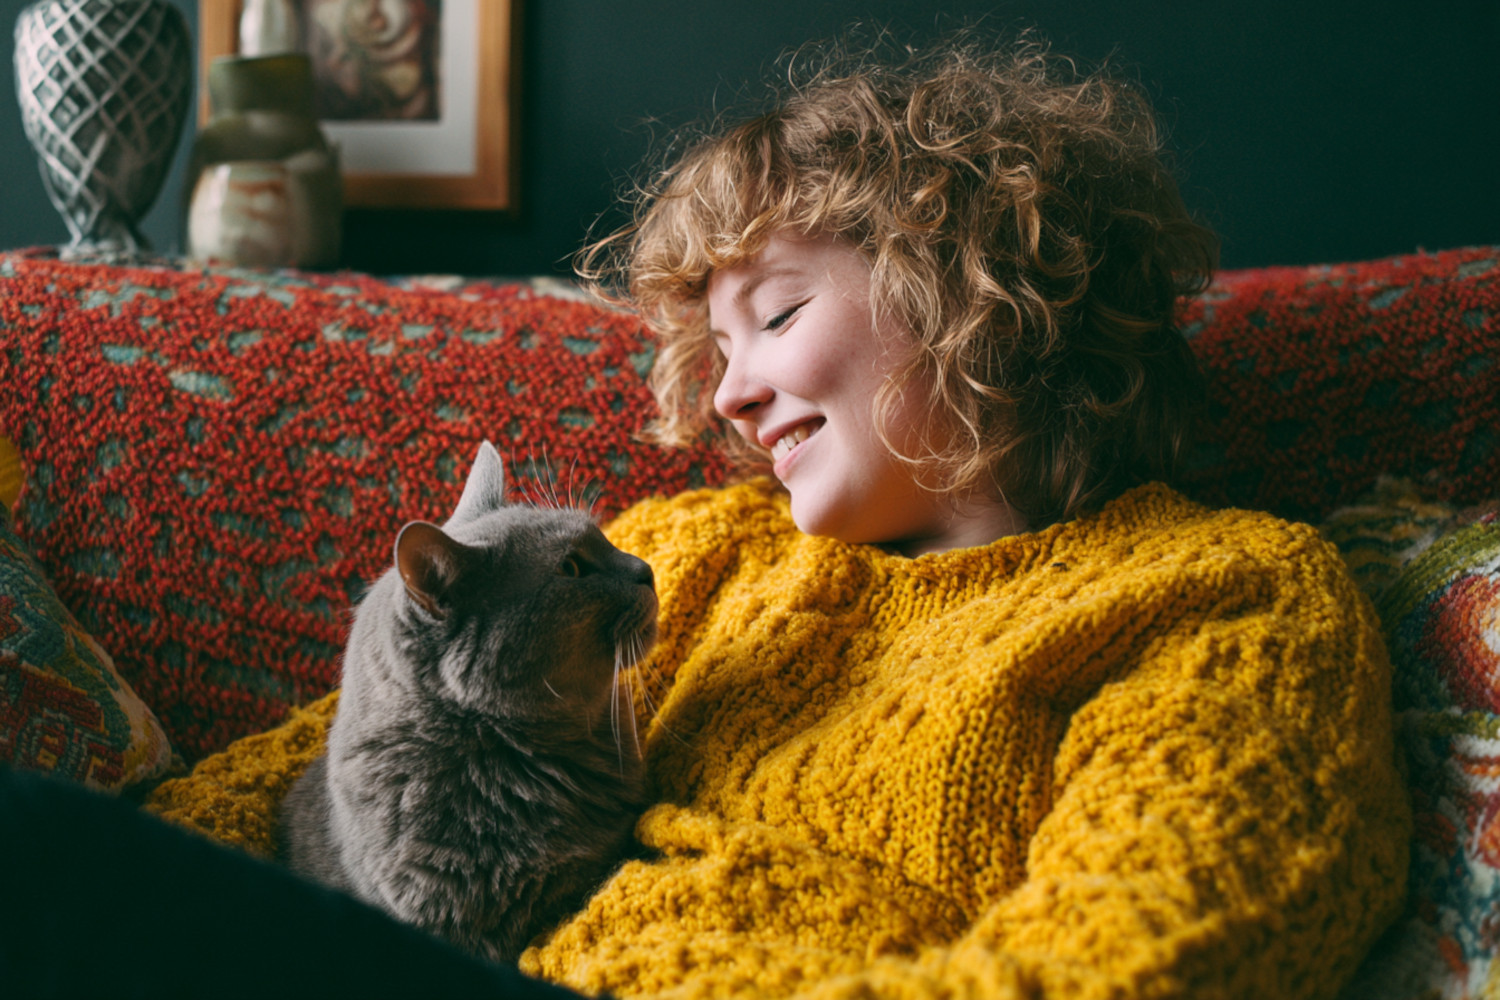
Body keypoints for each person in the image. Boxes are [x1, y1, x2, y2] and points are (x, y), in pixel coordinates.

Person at [100, 31, 1408, 1000]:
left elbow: (1135, 957)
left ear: (975, 281)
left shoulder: (1223, 596)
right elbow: (294, 787)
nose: (727, 390)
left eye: (775, 314)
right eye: (712, 345)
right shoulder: (684, 550)